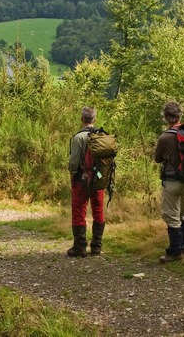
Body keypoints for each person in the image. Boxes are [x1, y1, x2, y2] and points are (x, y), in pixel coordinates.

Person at [154, 101, 184, 263]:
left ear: (166, 117)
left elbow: (157, 159)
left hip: (172, 181)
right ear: (180, 116)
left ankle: (175, 251)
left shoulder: (165, 137)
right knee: (183, 213)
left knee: (171, 216)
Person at [67, 106, 105, 257]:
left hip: (82, 180)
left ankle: (80, 247)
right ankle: (96, 246)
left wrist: (73, 177)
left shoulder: (78, 138)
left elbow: (73, 163)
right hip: (99, 180)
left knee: (78, 212)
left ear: (81, 119)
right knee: (98, 211)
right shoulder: (102, 135)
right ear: (94, 119)